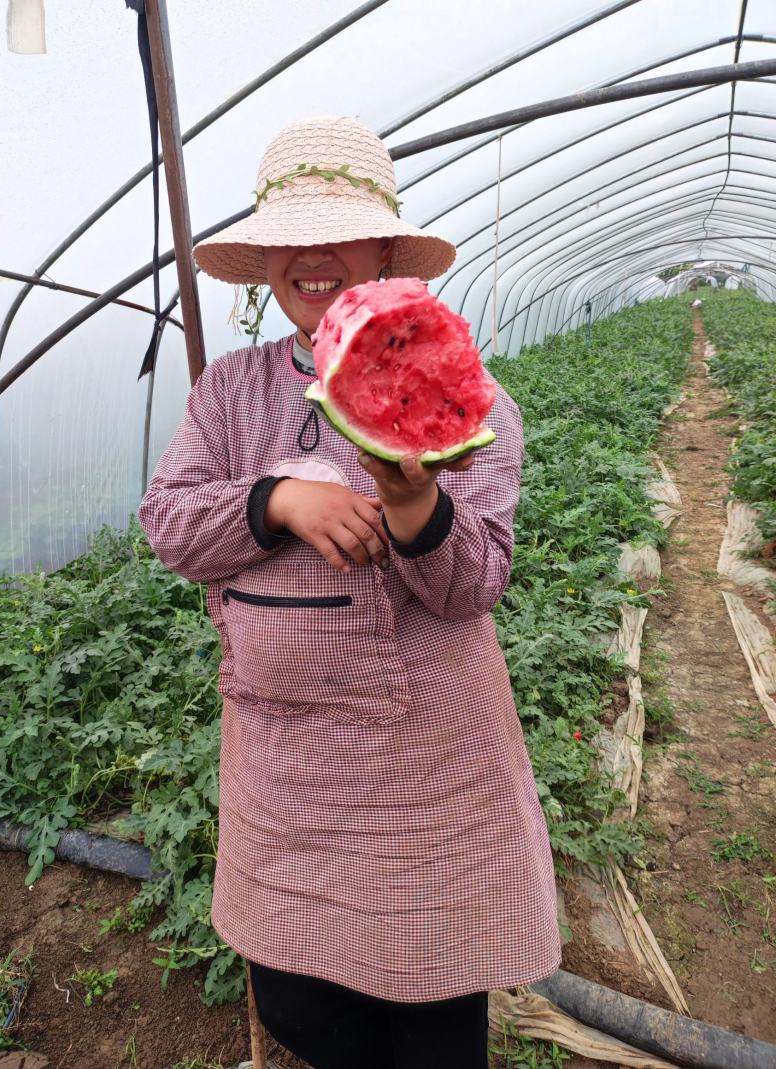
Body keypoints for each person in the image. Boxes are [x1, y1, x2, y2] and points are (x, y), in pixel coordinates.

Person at [138, 115, 559, 1069]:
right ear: (268, 260)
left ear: (384, 249)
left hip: (423, 766)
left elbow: (474, 584)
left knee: (434, 1015)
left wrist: (412, 499)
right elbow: (169, 523)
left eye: (339, 230)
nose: (314, 254)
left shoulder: (471, 397)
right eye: (292, 235)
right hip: (283, 768)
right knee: (298, 1003)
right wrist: (280, 498)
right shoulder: (232, 391)